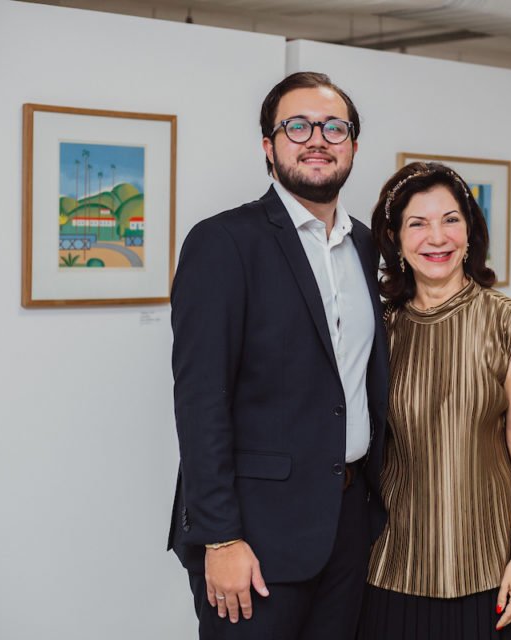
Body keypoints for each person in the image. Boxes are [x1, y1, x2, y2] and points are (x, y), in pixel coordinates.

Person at [167, 71, 388, 640]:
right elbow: (200, 400)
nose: (317, 138)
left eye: (334, 127)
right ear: (269, 145)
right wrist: (220, 537)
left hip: (346, 526)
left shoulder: (367, 246)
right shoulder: (224, 243)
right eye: (297, 126)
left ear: (353, 146)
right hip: (253, 536)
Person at [358, 162, 511, 639]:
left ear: (470, 230)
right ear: (395, 238)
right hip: (393, 567)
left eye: (450, 219)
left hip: (485, 568)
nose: (436, 237)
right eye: (417, 223)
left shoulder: (508, 324)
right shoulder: (379, 328)